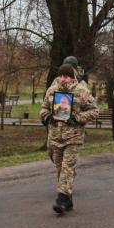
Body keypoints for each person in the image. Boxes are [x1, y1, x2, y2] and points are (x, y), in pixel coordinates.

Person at [40, 64, 99, 215]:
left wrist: (77, 118)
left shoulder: (81, 91)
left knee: (67, 167)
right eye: (61, 76)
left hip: (73, 137)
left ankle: (61, 199)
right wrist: (46, 116)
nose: (63, 79)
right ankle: (68, 199)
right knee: (60, 167)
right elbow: (44, 107)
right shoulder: (53, 90)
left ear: (72, 77)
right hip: (55, 137)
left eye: (66, 76)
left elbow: (94, 111)